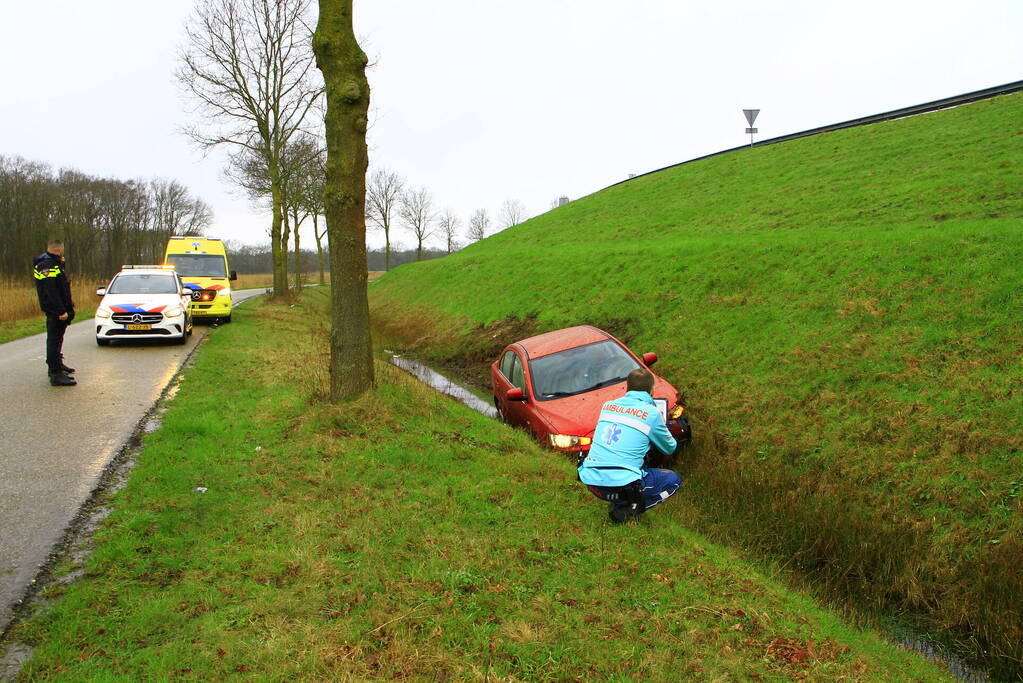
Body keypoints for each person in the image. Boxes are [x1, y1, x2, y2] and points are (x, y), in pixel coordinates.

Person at [578, 368, 681, 523]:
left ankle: (622, 501)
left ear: (627, 387)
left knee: (637, 460)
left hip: (592, 482)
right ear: (651, 390)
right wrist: (664, 428)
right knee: (674, 481)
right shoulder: (652, 413)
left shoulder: (607, 406)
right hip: (621, 486)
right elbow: (669, 448)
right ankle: (631, 509)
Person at [33, 239, 76, 386]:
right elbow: (50, 290)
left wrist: (61, 264)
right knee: (54, 340)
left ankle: (57, 364)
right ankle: (55, 374)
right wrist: (60, 310)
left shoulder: (53, 263)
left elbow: (59, 283)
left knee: (57, 339)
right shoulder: (47, 265)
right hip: (55, 310)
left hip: (58, 309)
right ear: (59, 249)